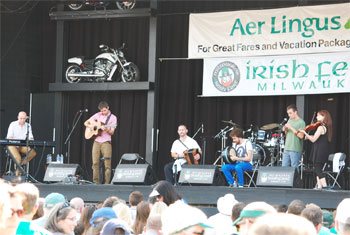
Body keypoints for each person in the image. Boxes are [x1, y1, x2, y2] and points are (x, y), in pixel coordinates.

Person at [84, 101, 117, 184]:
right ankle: (96, 183)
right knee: (95, 163)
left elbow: (112, 132)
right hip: (96, 141)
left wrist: (106, 129)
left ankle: (106, 184)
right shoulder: (98, 115)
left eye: (104, 110)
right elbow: (86, 123)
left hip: (106, 142)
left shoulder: (113, 118)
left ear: (108, 108)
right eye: (101, 111)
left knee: (107, 165)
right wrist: (92, 126)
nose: (103, 112)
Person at [299, 110, 332, 189]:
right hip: (322, 150)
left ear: (324, 117)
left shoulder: (320, 127)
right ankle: (319, 186)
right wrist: (308, 136)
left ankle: (325, 186)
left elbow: (313, 139)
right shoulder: (325, 127)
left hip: (319, 151)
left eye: (319, 115)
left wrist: (305, 133)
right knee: (318, 168)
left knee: (318, 169)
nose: (317, 117)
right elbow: (317, 138)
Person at [6, 111, 37, 175]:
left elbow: (31, 137)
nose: (22, 120)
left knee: (32, 153)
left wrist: (31, 139)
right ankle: (18, 176)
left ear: (26, 118)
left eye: (24, 118)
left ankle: (20, 163)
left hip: (22, 145)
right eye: (21, 118)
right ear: (18, 117)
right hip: (12, 145)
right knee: (18, 158)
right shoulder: (13, 124)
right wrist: (17, 140)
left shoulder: (28, 126)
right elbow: (9, 137)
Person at [282, 105, 306, 171]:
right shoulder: (289, 121)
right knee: (284, 168)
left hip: (295, 148)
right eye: (288, 113)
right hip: (287, 147)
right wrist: (285, 130)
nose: (289, 115)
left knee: (294, 168)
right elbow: (287, 135)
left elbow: (301, 136)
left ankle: (295, 181)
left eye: (290, 113)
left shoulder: (301, 122)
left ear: (295, 112)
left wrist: (291, 127)